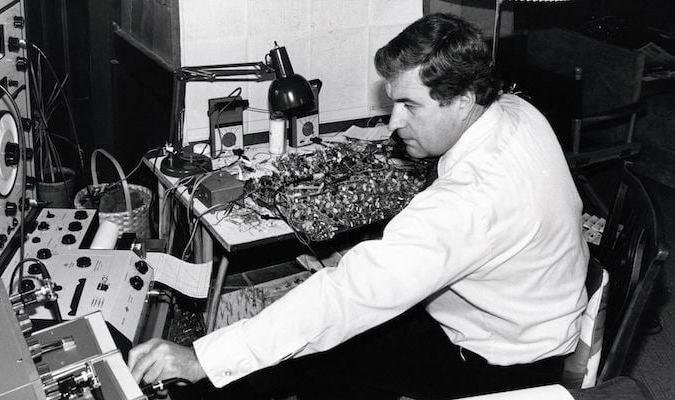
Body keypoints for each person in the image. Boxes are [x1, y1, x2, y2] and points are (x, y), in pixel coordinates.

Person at [128, 13, 589, 399]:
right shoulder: (513, 109)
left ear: (464, 100)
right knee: (325, 336)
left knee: (315, 357)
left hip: (498, 364)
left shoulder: (472, 199)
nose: (394, 122)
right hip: (530, 314)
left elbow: (349, 295)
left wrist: (201, 357)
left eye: (410, 105)